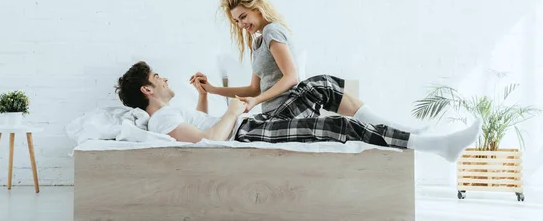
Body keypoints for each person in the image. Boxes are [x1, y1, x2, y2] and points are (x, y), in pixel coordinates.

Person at [116, 59, 480, 162]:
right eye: (158, 77)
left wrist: (204, 94)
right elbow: (207, 143)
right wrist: (233, 109)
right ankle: (433, 146)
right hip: (246, 131)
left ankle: (412, 134)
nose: (164, 79)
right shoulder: (160, 118)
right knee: (336, 126)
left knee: (321, 85)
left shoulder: (168, 113)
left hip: (246, 123)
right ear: (148, 90)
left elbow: (198, 124)